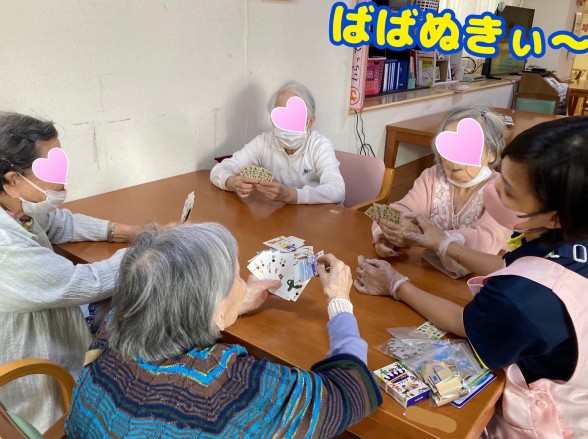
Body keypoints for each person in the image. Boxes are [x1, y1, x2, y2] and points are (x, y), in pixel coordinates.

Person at [355, 116, 588, 437]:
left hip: (551, 420)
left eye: (507, 191)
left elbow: (467, 321)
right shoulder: (578, 232)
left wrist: (396, 284)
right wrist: (404, 233)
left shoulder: (523, 299)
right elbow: (513, 265)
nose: (494, 190)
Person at [66, 223, 382, 438]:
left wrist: (235, 304)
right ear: (213, 308)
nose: (244, 281)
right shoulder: (224, 386)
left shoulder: (115, 322)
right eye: (237, 276)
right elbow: (347, 392)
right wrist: (339, 300)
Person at [0, 112, 141, 431]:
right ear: (11, 181)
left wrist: (129, 231)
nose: (63, 179)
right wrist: (142, 251)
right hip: (36, 381)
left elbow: (58, 222)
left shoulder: (15, 208)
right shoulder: (4, 246)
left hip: (56, 324)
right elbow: (83, 282)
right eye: (50, 169)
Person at [372, 106, 511, 278]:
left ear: (492, 153)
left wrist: (418, 236)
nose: (454, 158)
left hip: (482, 280)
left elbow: (484, 242)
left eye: (466, 146)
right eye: (449, 146)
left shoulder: (501, 189)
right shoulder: (433, 176)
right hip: (429, 273)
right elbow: (399, 209)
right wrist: (386, 234)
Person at [210, 81, 345, 205]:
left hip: (316, 216)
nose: (288, 126)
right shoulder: (263, 143)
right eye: (282, 118)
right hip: (278, 216)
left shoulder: (320, 145)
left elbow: (337, 190)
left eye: (295, 118)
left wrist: (292, 195)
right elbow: (219, 169)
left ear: (310, 121)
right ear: (272, 120)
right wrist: (232, 182)